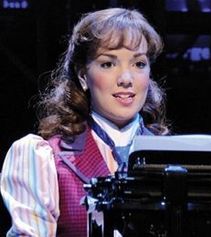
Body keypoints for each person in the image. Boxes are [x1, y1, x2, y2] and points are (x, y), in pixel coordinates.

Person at [0, 7, 168, 237]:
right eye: (108, 64)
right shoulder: (43, 159)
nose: (126, 79)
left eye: (138, 64)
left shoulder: (173, 158)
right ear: (82, 76)